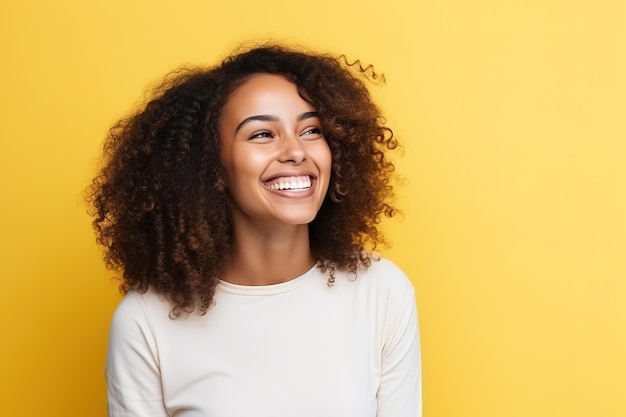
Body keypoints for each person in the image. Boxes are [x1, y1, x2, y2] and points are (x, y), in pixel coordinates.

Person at [88, 43, 421, 417]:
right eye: (262, 134)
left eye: (311, 130)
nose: (296, 151)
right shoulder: (146, 322)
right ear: (211, 167)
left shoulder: (381, 293)